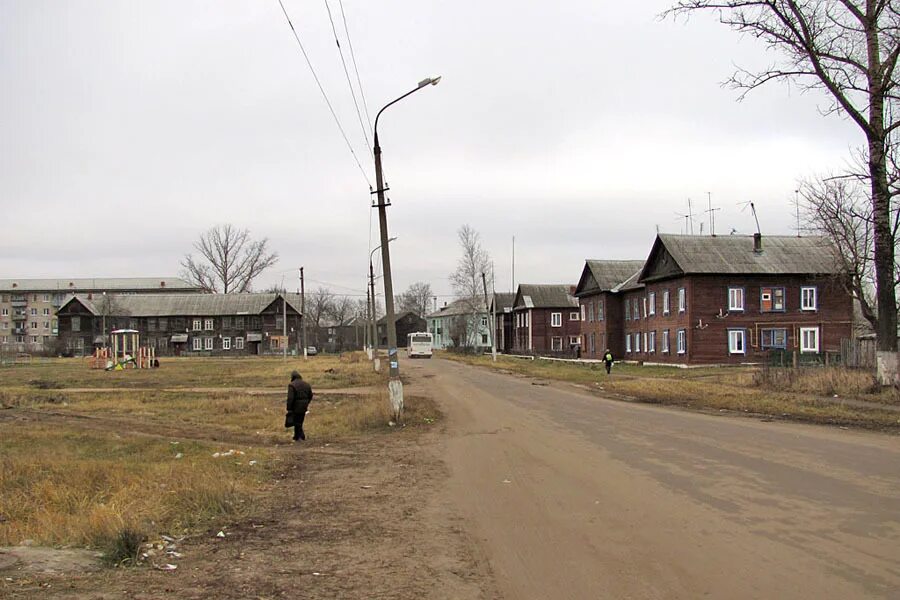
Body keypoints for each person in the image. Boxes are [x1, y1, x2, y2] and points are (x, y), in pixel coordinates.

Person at [285, 370, 314, 442]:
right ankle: (296, 436)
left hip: (296, 406)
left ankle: (301, 436)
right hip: (304, 406)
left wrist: (289, 408)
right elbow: (310, 395)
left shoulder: (292, 385)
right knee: (300, 421)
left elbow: (290, 398)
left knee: (297, 422)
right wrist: (307, 403)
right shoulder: (306, 384)